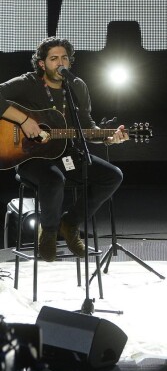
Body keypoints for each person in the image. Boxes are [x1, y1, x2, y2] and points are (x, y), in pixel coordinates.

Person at [0, 37, 128, 262]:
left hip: (67, 153)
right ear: (42, 63)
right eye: (54, 58)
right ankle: (48, 234)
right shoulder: (28, 83)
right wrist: (23, 121)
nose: (60, 63)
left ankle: (69, 224)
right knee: (53, 180)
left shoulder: (77, 86)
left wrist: (109, 138)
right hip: (30, 157)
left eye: (64, 58)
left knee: (112, 176)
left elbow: (87, 128)